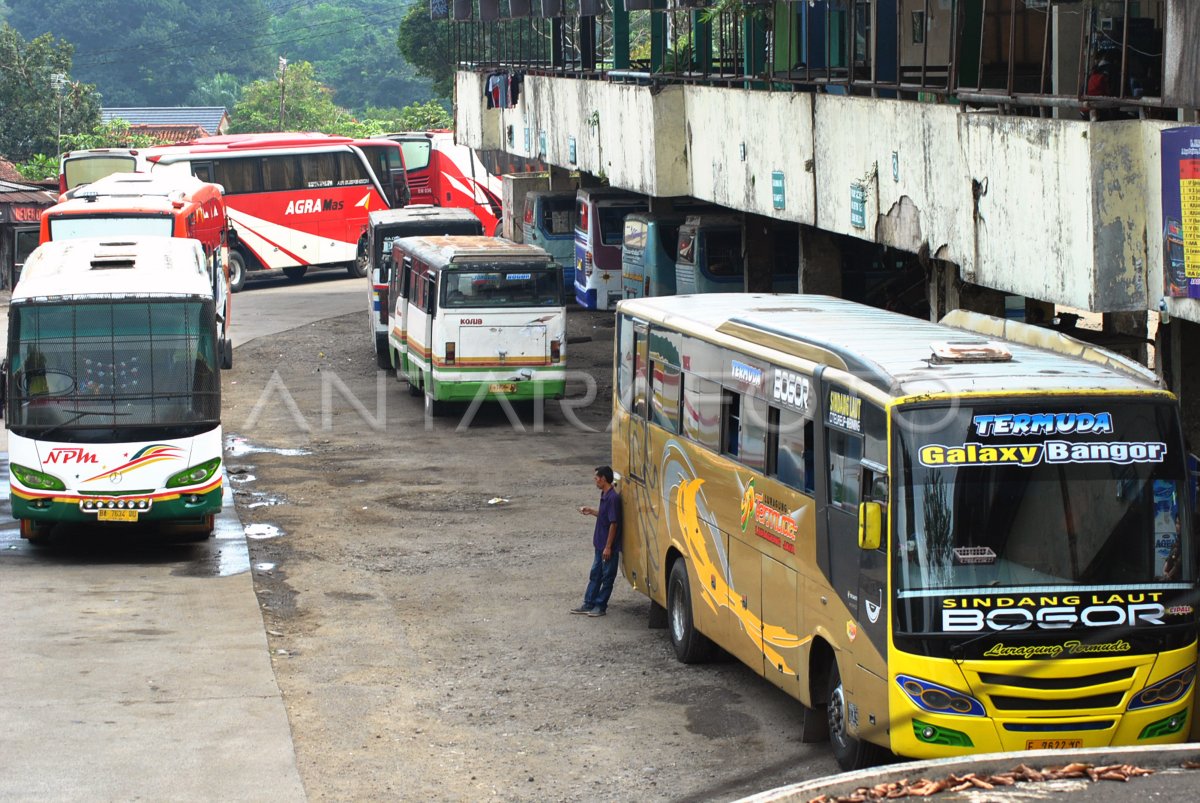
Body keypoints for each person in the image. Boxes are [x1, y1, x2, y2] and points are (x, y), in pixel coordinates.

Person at [571, 465, 622, 617]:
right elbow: (606, 516)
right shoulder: (605, 495)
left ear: (603, 479)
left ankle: (600, 606)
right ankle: (589, 603)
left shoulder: (613, 498)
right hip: (600, 543)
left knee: (607, 576)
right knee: (595, 574)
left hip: (607, 546)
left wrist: (608, 547)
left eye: (596, 478)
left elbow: (614, 523)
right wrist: (592, 511)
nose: (595, 481)